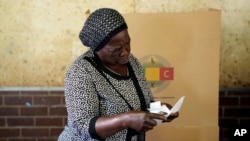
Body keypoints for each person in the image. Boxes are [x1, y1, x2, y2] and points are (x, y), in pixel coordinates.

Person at [58, 8, 179, 141]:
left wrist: (161, 110)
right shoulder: (81, 71)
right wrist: (125, 120)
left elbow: (145, 103)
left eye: (127, 43)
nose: (126, 52)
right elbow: (83, 126)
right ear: (98, 49)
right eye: (117, 49)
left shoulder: (132, 62)